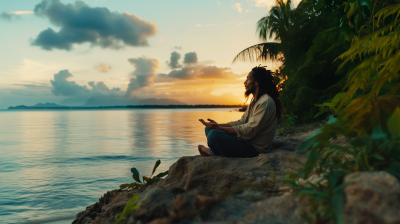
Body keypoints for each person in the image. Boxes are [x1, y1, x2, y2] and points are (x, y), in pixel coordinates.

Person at [198, 66, 285, 157]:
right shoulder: (255, 101)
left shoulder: (265, 102)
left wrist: (220, 128)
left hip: (255, 148)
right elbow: (242, 122)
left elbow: (250, 130)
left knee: (213, 135)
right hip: (246, 141)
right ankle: (214, 151)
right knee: (209, 129)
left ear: (257, 82)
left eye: (248, 79)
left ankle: (210, 152)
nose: (245, 82)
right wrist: (218, 125)